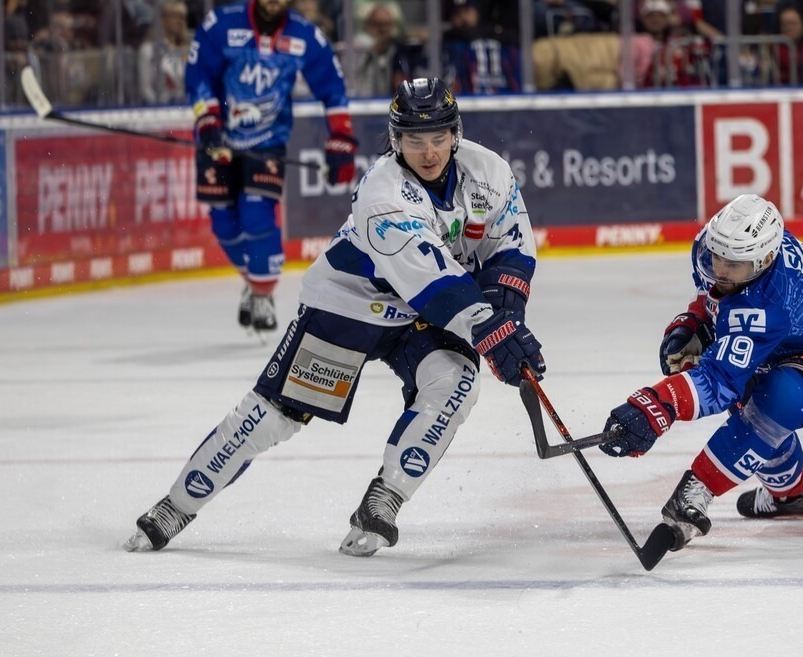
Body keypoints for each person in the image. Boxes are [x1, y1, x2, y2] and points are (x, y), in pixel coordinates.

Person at [123, 77, 546, 557]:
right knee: (274, 416)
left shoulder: (489, 171)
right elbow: (433, 281)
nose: (428, 152)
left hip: (418, 316)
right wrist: (491, 329)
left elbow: (511, 247)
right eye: (414, 140)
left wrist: (507, 315)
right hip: (349, 305)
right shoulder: (382, 194)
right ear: (395, 140)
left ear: (455, 133)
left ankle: (384, 500)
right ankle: (176, 505)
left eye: (437, 139)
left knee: (456, 383)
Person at [599, 194, 803, 551]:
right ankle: (791, 497)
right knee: (751, 390)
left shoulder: (769, 301)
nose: (720, 269)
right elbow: (718, 295)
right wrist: (696, 321)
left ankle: (700, 491)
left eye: (733, 265)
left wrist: (656, 406)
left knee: (782, 397)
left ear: (765, 260)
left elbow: (719, 383)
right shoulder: (728, 250)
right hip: (788, 336)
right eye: (716, 256)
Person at [186, 0, 358, 333]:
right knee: (223, 223)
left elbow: (333, 89)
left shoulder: (305, 35)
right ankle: (254, 282)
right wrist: (207, 119)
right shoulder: (221, 24)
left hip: (268, 143)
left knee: (256, 213)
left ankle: (262, 295)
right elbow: (197, 75)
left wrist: (341, 138)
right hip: (217, 137)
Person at [137, 1, 190, 105]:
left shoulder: (189, 50)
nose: (179, 21)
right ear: (162, 19)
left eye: (182, 17)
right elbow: (145, 90)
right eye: (174, 16)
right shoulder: (148, 50)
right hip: (161, 111)